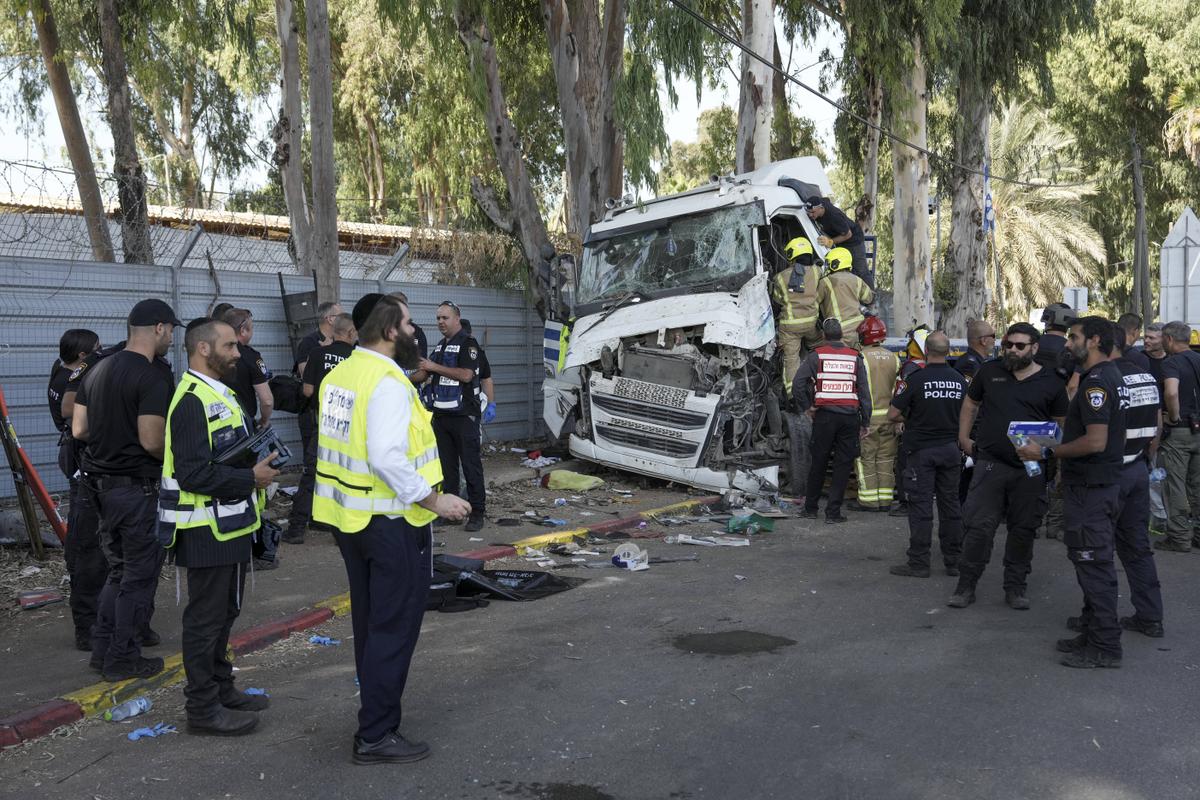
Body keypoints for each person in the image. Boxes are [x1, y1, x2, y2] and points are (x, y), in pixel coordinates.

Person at [312, 294, 470, 765]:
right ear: (388, 330)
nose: (414, 330)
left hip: (351, 521)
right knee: (392, 628)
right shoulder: (387, 382)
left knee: (371, 624)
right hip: (390, 523)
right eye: (406, 323)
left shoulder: (340, 374)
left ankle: (376, 718)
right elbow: (384, 456)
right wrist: (434, 499)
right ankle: (377, 733)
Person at [158, 318, 279, 735]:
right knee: (205, 620)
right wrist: (251, 479)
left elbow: (223, 455)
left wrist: (256, 463)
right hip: (204, 530)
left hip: (229, 526)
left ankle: (222, 688)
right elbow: (192, 474)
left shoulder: (219, 392)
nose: (238, 352)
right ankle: (202, 709)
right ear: (204, 349)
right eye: (229, 345)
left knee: (225, 613)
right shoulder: (191, 398)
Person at [72, 299, 179, 681]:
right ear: (160, 328)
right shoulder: (151, 376)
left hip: (99, 488)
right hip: (137, 490)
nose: (171, 339)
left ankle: (103, 651)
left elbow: (79, 430)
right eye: (171, 331)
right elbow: (152, 440)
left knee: (117, 573)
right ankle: (123, 657)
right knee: (137, 577)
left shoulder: (98, 369)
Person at [1017, 316, 1127, 668]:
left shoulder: (1098, 383)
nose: (1066, 344)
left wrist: (1045, 451)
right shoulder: (1106, 376)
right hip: (1097, 485)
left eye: (1074, 338)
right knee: (1090, 563)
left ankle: (1105, 647)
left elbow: (1095, 441)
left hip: (1093, 489)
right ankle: (1093, 632)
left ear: (1093, 341)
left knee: (1093, 565)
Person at [950, 322, 1068, 611]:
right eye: (1007, 345)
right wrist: (964, 437)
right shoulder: (990, 372)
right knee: (978, 528)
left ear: (1034, 348)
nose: (1011, 350)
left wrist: (1053, 458)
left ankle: (1015, 587)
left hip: (1030, 470)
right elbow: (970, 403)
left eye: (1019, 346)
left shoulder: (1052, 381)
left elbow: (1061, 426)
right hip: (990, 464)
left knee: (1023, 529)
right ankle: (966, 586)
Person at [1062, 324, 1164, 641]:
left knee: (1095, 552)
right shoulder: (1144, 376)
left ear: (1100, 342)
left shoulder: (1103, 379)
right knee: (1136, 549)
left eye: (1074, 338)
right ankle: (1149, 617)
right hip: (1137, 468)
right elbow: (1157, 424)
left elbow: (1097, 437)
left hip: (1109, 473)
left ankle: (1098, 627)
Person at [887, 332, 966, 577]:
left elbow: (892, 414)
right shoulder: (959, 380)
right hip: (951, 451)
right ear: (949, 351)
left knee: (921, 507)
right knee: (950, 505)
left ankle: (919, 562)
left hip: (921, 451)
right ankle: (953, 561)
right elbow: (970, 412)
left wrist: (913, 418)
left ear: (926, 351)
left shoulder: (917, 379)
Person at [49, 329, 104, 650]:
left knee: (82, 531)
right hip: (78, 456)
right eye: (96, 350)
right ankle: (86, 614)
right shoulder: (69, 381)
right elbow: (72, 413)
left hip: (72, 455)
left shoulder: (60, 371)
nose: (101, 353)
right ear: (82, 356)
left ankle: (76, 563)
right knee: (87, 539)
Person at [285, 313, 357, 544]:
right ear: (349, 333)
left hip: (325, 423)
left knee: (312, 474)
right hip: (351, 426)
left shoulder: (317, 353)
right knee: (346, 476)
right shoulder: (357, 358)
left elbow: (307, 390)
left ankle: (296, 528)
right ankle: (342, 529)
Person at [793, 318, 871, 523]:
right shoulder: (855, 357)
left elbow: (798, 383)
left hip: (824, 417)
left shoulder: (816, 355)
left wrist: (807, 407)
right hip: (849, 419)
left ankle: (810, 509)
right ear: (842, 335)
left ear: (824, 336)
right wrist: (866, 422)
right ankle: (833, 513)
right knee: (843, 465)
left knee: (818, 462)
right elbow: (864, 392)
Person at [419, 301, 487, 532]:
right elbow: (424, 371)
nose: (440, 322)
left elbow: (467, 375)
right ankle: (451, 512)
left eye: (445, 318)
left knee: (471, 465)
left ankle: (477, 512)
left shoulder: (469, 344)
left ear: (457, 319)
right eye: (438, 318)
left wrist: (433, 367)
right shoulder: (439, 347)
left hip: (464, 415)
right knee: (447, 469)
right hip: (441, 416)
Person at [1156, 320, 1200, 552]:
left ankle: (1179, 537)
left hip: (1180, 430)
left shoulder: (1171, 363)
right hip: (1198, 429)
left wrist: (1172, 417)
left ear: (1170, 339)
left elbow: (1171, 392)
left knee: (1176, 484)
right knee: (1197, 484)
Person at [852, 315, 899, 511]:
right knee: (886, 459)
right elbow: (899, 390)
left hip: (868, 419)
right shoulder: (894, 358)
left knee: (866, 459)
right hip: (890, 418)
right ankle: (885, 500)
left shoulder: (861, 357)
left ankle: (869, 501)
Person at [771, 237, 823, 395]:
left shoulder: (780, 277)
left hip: (790, 327)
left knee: (791, 359)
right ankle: (821, 384)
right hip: (811, 324)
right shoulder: (817, 271)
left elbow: (777, 299)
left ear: (791, 255)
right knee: (819, 347)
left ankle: (793, 395)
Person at [889, 327, 930, 517]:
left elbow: (903, 395)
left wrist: (899, 420)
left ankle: (905, 503)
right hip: (926, 424)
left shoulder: (910, 367)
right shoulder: (930, 367)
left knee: (905, 465)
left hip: (910, 424)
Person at [221, 308, 273, 430]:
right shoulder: (252, 357)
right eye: (252, 327)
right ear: (243, 331)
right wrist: (264, 420)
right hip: (243, 424)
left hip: (217, 424)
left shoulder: (215, 354)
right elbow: (267, 400)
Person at [805, 196, 872, 288]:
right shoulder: (820, 205)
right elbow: (826, 199)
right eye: (809, 213)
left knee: (861, 270)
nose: (810, 215)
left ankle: (872, 299)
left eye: (813, 212)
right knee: (845, 269)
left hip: (854, 240)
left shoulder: (834, 216)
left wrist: (830, 242)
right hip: (841, 240)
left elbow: (848, 234)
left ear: (821, 208)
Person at [816, 247, 874, 350]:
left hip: (838, 331)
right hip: (859, 329)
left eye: (829, 262)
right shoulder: (857, 280)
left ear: (835, 263)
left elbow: (814, 303)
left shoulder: (825, 282)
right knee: (858, 361)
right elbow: (868, 298)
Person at [294, 301, 344, 376]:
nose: (344, 320)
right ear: (330, 319)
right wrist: (323, 352)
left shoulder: (340, 341)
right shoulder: (309, 342)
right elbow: (304, 373)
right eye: (341, 317)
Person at [955, 319, 996, 383]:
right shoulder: (970, 365)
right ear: (984, 340)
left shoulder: (973, 361)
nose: (994, 340)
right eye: (993, 336)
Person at [1142, 322, 1168, 396]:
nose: (1146, 341)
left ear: (1164, 340)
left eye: (1151, 338)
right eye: (1145, 337)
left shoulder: (1171, 360)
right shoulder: (1139, 359)